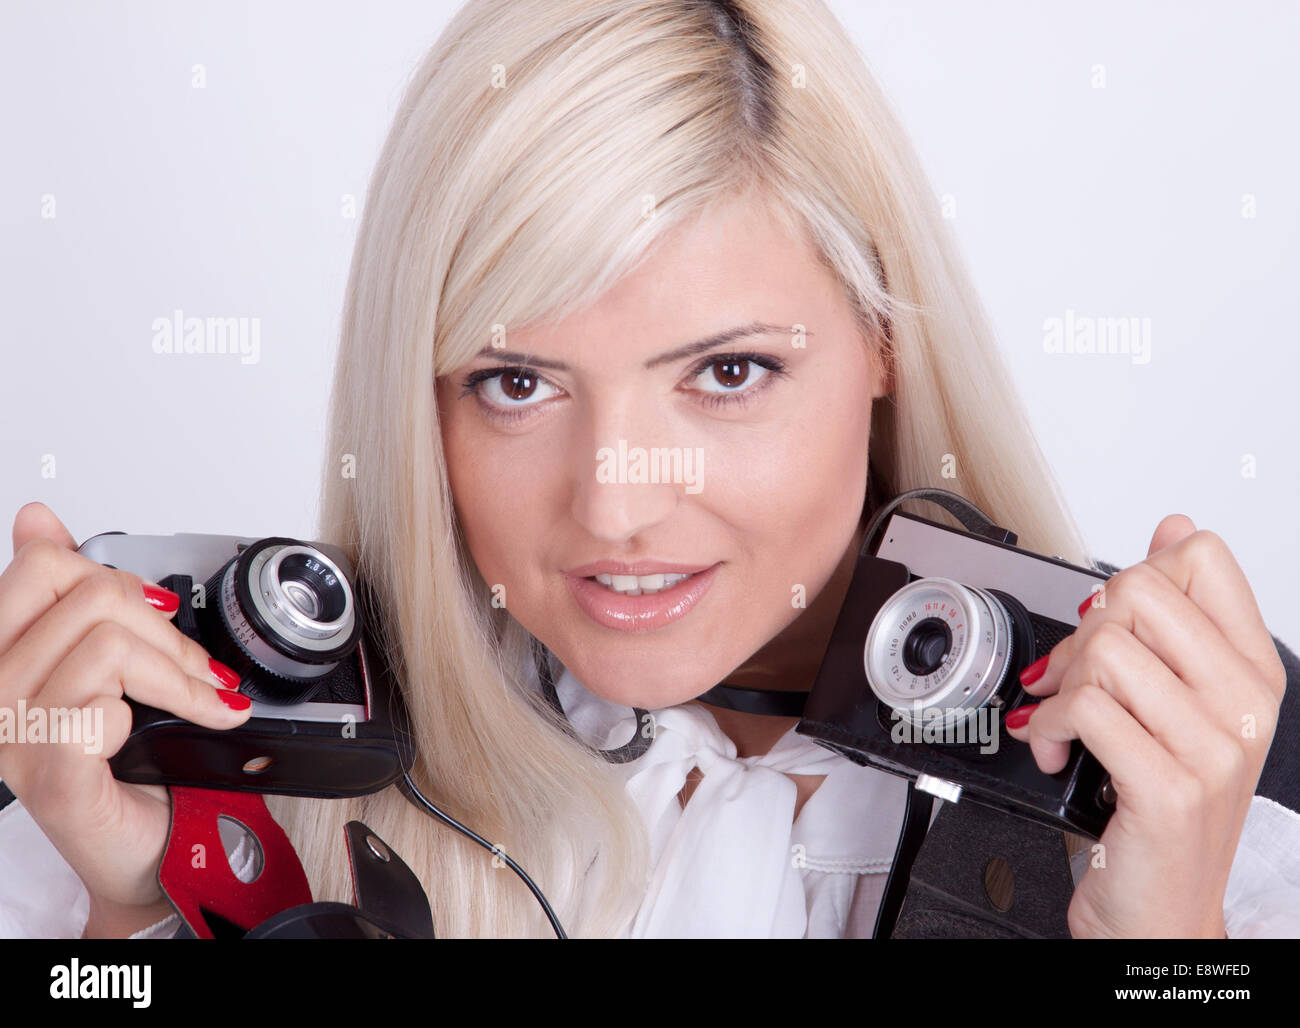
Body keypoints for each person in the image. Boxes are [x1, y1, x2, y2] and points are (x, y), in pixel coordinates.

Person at [2, 0, 1297, 938]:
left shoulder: (1222, 828)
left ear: (886, 336)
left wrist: (1168, 955)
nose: (614, 504)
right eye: (516, 385)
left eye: (727, 373)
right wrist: (147, 913)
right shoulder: (177, 801)